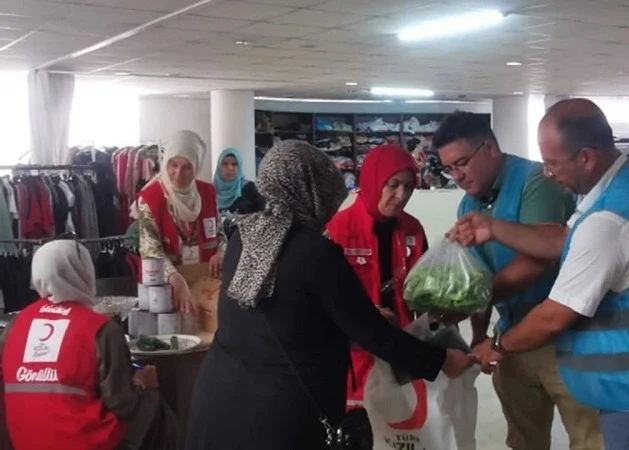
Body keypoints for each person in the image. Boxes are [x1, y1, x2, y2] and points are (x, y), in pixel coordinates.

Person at [453, 98, 629, 449]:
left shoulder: (609, 221)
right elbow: (565, 239)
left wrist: (498, 344)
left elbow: (553, 317)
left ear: (586, 157)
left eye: (552, 163)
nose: (547, 173)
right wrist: (494, 228)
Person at [185, 140, 474, 450]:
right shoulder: (315, 253)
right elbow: (373, 333)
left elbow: (287, 316)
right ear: (313, 193)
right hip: (279, 416)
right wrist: (441, 359)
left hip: (217, 397)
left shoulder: (243, 237)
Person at [433, 112, 601, 450]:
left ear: (490, 148)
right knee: (524, 441)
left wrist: (479, 297)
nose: (458, 175)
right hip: (510, 337)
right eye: (449, 169)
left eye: (462, 162)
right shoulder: (469, 204)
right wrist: (480, 334)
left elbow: (542, 256)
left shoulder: (535, 181)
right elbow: (477, 273)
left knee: (590, 439)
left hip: (566, 338)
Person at [0, 240, 176, 450]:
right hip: (85, 443)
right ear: (85, 272)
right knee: (156, 407)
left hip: (24, 442)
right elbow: (123, 404)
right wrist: (141, 384)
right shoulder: (100, 329)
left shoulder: (14, 326)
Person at [326, 145, 428, 414]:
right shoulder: (337, 229)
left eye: (408, 187)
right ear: (373, 180)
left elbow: (426, 294)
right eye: (393, 185)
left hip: (401, 356)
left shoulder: (413, 230)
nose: (401, 195)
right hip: (353, 362)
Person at [134, 130, 226, 313]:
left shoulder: (207, 193)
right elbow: (150, 251)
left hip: (203, 284)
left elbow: (220, 233)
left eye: (187, 167)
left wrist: (222, 252)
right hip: (164, 289)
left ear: (197, 167)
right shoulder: (150, 199)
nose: (178, 173)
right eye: (173, 165)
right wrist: (175, 278)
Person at [213, 147, 264, 215]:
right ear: (219, 167)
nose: (230, 168)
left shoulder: (250, 188)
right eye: (225, 164)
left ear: (240, 167)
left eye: (234, 164)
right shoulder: (211, 191)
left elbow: (265, 215)